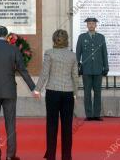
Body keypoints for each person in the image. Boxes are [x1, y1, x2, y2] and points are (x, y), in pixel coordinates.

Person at [0, 26, 38, 160]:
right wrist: (33, 88)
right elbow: (22, 70)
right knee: (10, 124)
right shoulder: (14, 49)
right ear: (6, 36)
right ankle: (10, 156)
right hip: (9, 92)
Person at [34, 29, 78, 160]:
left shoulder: (49, 53)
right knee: (67, 126)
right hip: (68, 93)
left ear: (54, 40)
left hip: (52, 92)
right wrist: (75, 93)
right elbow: (75, 76)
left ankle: (51, 155)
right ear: (67, 40)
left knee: (52, 125)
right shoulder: (72, 55)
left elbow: (44, 73)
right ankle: (66, 156)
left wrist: (37, 89)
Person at [76, 17, 109, 121]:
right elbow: (78, 53)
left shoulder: (101, 37)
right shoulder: (82, 37)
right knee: (87, 93)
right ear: (87, 25)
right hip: (86, 69)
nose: (91, 25)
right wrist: (77, 67)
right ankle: (89, 115)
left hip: (98, 69)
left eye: (93, 23)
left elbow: (104, 53)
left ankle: (96, 114)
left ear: (96, 25)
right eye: (89, 23)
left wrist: (106, 67)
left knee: (98, 92)